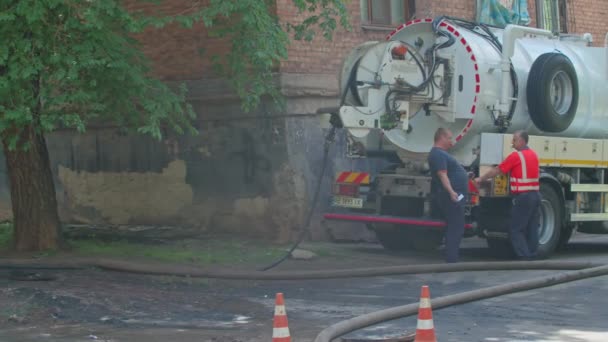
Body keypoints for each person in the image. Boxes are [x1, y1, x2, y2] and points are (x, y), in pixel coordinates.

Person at [475, 130, 541, 260]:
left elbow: (497, 170)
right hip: (535, 196)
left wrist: (481, 179)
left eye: (515, 139)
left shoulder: (516, 156)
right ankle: (533, 255)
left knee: (516, 229)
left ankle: (524, 257)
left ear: (522, 141)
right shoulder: (533, 155)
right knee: (532, 227)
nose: (512, 142)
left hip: (523, 198)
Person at [428, 128, 468, 263]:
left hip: (456, 194)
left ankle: (452, 256)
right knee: (455, 226)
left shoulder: (442, 154)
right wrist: (451, 192)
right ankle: (451, 259)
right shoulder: (438, 154)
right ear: (442, 138)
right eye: (450, 138)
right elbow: (442, 175)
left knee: (456, 225)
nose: (452, 141)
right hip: (452, 196)